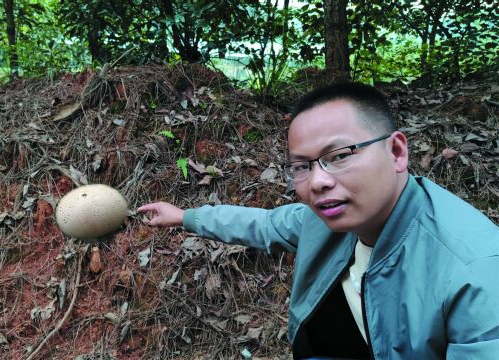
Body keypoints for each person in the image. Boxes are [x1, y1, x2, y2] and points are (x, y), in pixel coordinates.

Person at [137, 82, 499, 359]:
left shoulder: (473, 272)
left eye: (339, 155)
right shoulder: (327, 219)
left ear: (396, 152)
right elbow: (263, 225)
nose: (318, 181)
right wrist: (185, 216)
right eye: (302, 166)